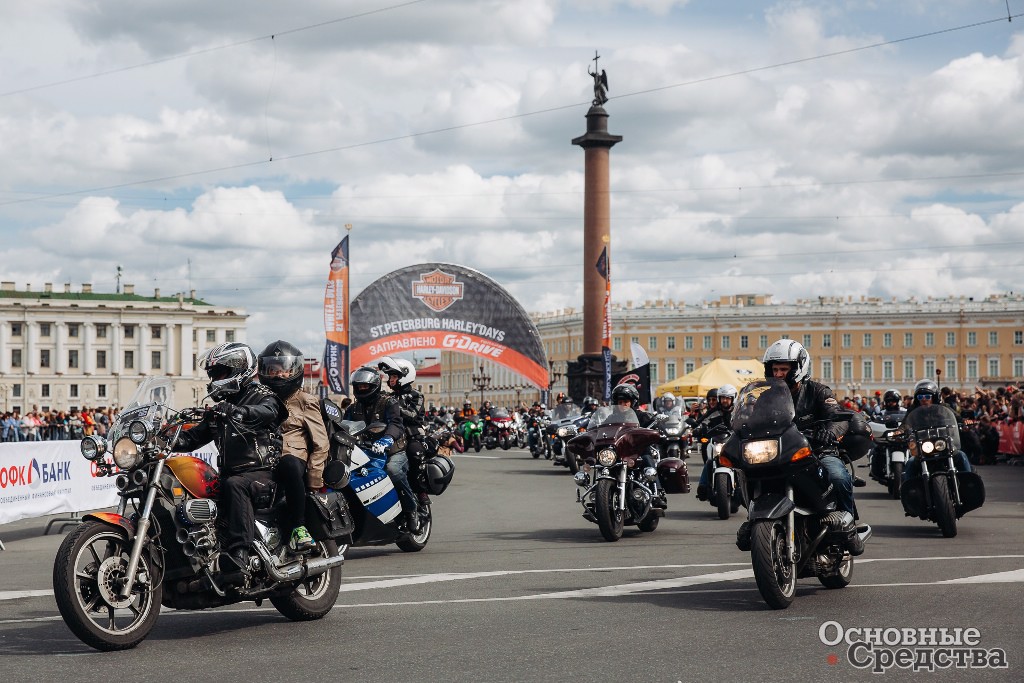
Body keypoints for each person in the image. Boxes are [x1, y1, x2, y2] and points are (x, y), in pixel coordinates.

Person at [173, 342, 288, 578]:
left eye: (221, 372)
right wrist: (165, 438)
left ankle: (239, 553)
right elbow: (192, 438)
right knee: (203, 490)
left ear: (240, 369)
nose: (215, 378)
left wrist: (242, 412)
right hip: (230, 474)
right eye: (213, 373)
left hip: (264, 472)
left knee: (234, 484)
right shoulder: (220, 410)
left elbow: (270, 411)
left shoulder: (262, 395)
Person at [739, 338, 863, 556]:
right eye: (775, 369)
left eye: (783, 369)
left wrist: (830, 432)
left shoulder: (817, 391)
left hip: (816, 451)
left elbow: (838, 417)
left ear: (798, 368)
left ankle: (848, 524)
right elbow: (752, 420)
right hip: (780, 453)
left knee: (837, 476)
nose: (778, 374)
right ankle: (755, 518)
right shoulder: (766, 397)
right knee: (746, 472)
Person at [258, 340, 329, 554]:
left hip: (293, 455)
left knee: (288, 464)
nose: (279, 375)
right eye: (273, 370)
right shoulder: (259, 399)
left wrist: (315, 479)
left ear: (294, 372)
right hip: (264, 457)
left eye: (284, 371)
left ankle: (299, 528)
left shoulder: (305, 401)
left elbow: (321, 442)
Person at [344, 366, 420, 533]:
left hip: (394, 449)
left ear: (375, 386)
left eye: (365, 386)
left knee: (393, 471)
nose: (362, 389)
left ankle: (410, 510)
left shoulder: (388, 402)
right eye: (359, 386)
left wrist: (387, 439)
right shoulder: (352, 409)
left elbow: (396, 423)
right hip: (363, 451)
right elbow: (342, 428)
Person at [379, 357, 430, 508]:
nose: (391, 380)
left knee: (414, 454)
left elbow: (413, 415)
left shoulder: (416, 395)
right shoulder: (390, 397)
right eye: (390, 377)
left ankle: (420, 490)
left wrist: (393, 406)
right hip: (394, 435)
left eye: (394, 376)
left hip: (413, 435)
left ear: (405, 376)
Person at [900, 379, 973, 480]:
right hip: (923, 446)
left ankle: (969, 483)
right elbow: (905, 424)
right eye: (920, 397)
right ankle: (908, 493)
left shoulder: (944, 408)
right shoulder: (913, 410)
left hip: (944, 444)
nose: (924, 399)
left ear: (934, 397)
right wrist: (900, 431)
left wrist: (965, 422)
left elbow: (957, 418)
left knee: (961, 456)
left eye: (927, 396)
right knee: (911, 462)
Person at [695, 384, 737, 500]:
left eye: (727, 398)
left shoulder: (738, 411)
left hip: (733, 442)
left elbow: (748, 420)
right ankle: (702, 486)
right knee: (710, 462)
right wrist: (698, 429)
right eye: (722, 398)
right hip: (717, 441)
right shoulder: (714, 411)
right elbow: (702, 421)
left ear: (733, 398)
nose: (724, 400)